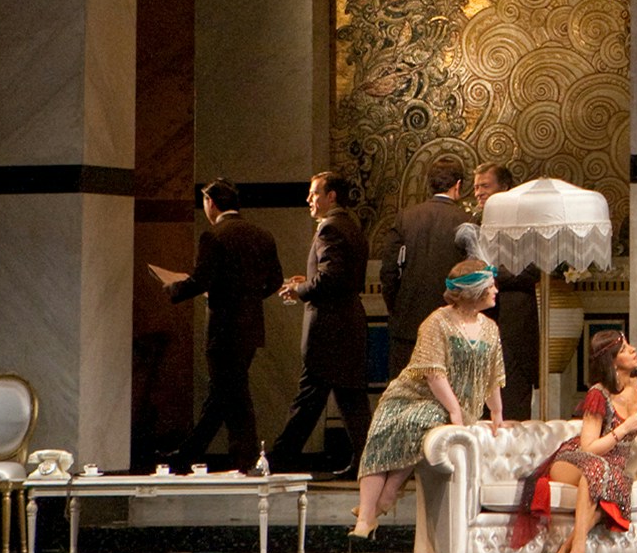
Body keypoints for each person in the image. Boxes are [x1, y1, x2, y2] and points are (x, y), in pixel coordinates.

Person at [351, 258, 508, 539]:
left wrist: (496, 414)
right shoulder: (437, 322)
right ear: (475, 291)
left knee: (420, 421)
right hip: (413, 394)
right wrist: (455, 412)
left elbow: (492, 377)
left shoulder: (490, 329)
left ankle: (385, 498)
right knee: (384, 431)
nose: (496, 290)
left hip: (445, 405)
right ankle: (366, 516)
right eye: (490, 286)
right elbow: (434, 374)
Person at [511, 330, 637, 553]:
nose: (633, 350)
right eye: (625, 349)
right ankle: (578, 549)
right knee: (595, 467)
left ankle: (569, 545)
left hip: (611, 467)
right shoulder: (599, 393)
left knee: (608, 478)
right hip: (573, 460)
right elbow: (588, 447)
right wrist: (624, 428)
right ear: (613, 360)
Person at [160, 178, 283, 471]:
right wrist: (249, 297)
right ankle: (186, 456)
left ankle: (247, 459)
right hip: (251, 329)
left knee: (233, 396)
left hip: (223, 330)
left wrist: (172, 287)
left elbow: (202, 280)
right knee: (223, 393)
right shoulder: (262, 235)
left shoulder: (213, 236)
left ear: (210, 202)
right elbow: (275, 281)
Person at [270, 171, 373, 477]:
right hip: (348, 322)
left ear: (332, 197)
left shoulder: (330, 228)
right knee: (351, 400)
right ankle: (368, 463)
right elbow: (338, 275)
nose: (309, 200)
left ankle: (278, 460)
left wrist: (299, 289)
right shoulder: (351, 225)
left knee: (310, 399)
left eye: (314, 194)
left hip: (329, 328)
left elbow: (330, 278)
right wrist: (310, 281)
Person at [379, 155, 469, 380]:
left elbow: (389, 271)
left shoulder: (405, 218)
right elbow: (474, 274)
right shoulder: (466, 221)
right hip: (452, 326)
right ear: (457, 185)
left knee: (407, 396)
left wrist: (397, 308)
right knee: (448, 399)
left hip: (408, 324)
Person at [472, 162, 541, 419]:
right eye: (476, 187)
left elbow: (533, 270)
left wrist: (489, 274)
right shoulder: (473, 225)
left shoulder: (524, 225)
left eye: (485, 186)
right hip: (481, 325)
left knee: (513, 399)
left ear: (505, 187)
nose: (478, 192)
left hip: (515, 323)